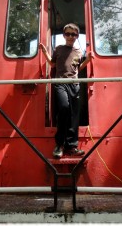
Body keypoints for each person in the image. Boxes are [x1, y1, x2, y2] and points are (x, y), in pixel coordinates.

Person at [39, 23, 94, 158]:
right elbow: (52, 64)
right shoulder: (58, 49)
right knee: (64, 108)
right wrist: (45, 52)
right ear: (64, 35)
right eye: (68, 34)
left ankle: (72, 146)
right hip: (60, 83)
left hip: (74, 84)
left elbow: (77, 68)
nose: (70, 36)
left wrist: (87, 60)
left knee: (74, 115)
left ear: (76, 36)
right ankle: (59, 144)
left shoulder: (79, 52)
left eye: (73, 34)